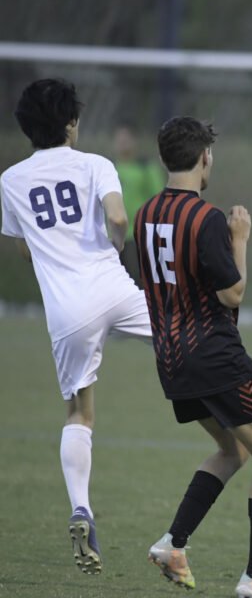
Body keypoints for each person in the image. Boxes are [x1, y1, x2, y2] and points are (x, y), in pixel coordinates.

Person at [134, 116, 252, 598]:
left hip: (170, 358)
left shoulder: (146, 213)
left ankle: (173, 543)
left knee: (233, 450)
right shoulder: (207, 218)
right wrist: (240, 239)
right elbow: (233, 294)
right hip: (213, 355)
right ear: (204, 158)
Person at [0, 79, 152, 574]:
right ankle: (232, 421)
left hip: (66, 310)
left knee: (78, 413)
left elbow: (23, 247)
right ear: (71, 124)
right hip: (112, 285)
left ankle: (81, 507)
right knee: (183, 334)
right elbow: (118, 218)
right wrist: (115, 246)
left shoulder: (10, 181)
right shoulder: (96, 164)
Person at [112, 123, 164, 286]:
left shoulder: (145, 168)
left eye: (126, 139)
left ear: (134, 141)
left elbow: (159, 198)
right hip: (113, 235)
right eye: (119, 139)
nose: (122, 143)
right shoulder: (110, 168)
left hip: (137, 234)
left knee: (137, 280)